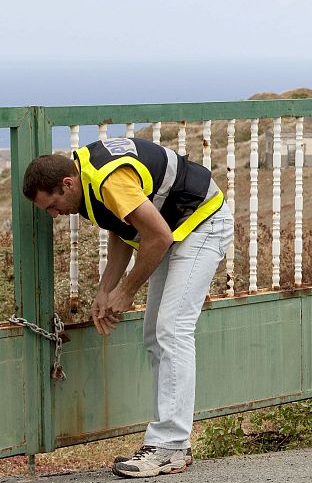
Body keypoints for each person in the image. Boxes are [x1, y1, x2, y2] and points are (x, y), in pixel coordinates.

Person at [23, 137, 233, 479]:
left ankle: (171, 445)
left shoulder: (109, 180)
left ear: (67, 183)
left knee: (173, 330)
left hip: (201, 224)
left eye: (53, 205)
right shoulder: (88, 181)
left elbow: (158, 237)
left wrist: (126, 290)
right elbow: (124, 229)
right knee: (155, 334)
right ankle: (169, 442)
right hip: (175, 227)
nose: (54, 214)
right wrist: (104, 291)